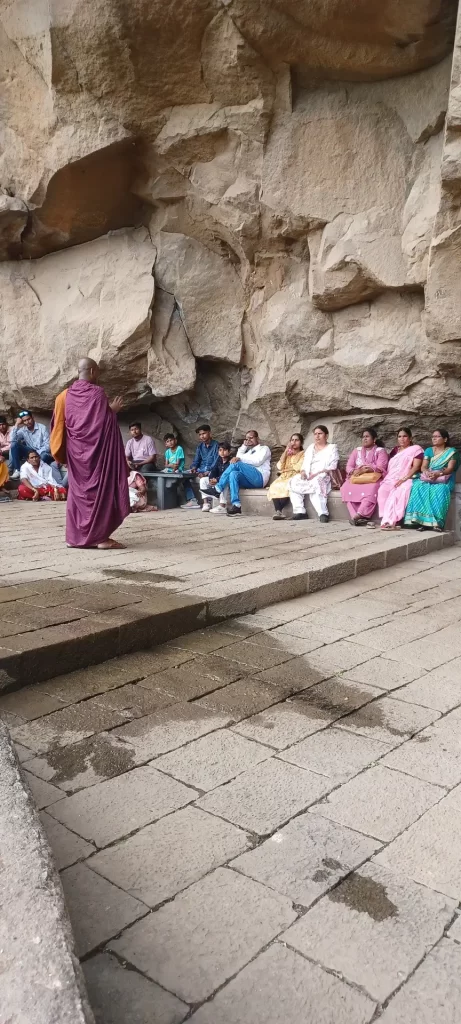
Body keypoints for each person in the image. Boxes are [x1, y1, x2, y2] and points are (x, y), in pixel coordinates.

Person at [50, 357, 130, 549]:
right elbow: (101, 426)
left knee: (77, 493)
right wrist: (112, 411)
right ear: (93, 371)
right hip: (97, 457)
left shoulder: (64, 396)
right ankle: (100, 538)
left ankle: (74, 538)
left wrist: (61, 454)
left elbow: (57, 425)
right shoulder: (97, 393)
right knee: (99, 492)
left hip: (76, 455)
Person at [205, 429, 271, 516]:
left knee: (237, 463)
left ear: (257, 438)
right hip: (250, 480)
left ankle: (218, 488)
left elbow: (258, 461)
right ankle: (236, 505)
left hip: (260, 477)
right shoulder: (248, 452)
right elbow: (238, 456)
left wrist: (240, 459)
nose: (249, 440)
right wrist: (244, 446)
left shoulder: (264, 448)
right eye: (247, 439)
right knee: (233, 474)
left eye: (251, 438)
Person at [404, 428, 459, 532]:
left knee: (440, 490)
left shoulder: (452, 452)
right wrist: (427, 472)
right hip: (429, 476)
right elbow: (423, 466)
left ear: (445, 439)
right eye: (433, 437)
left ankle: (437, 523)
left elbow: (450, 469)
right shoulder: (429, 450)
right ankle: (421, 522)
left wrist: (438, 473)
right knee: (418, 487)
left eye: (437, 436)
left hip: (444, 478)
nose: (434, 438)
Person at [375, 427, 423, 530]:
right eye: (399, 436)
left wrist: (404, 479)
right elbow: (391, 466)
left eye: (405, 436)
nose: (402, 439)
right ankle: (385, 518)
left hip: (408, 477)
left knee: (400, 492)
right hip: (391, 477)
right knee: (382, 490)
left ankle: (393, 520)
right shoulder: (395, 450)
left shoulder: (416, 449)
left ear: (410, 438)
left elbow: (416, 467)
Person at [289, 426, 339, 522]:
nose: (317, 436)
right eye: (315, 434)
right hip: (308, 474)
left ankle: (323, 513)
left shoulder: (332, 448)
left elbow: (333, 465)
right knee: (293, 481)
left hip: (323, 474)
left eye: (320, 433)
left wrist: (317, 473)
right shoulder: (311, 447)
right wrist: (303, 472)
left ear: (326, 435)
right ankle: (300, 511)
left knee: (317, 482)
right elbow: (304, 464)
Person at [340, 428, 389, 526]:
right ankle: (357, 517)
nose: (364, 439)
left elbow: (381, 467)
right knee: (345, 487)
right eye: (363, 437)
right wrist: (355, 471)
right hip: (357, 477)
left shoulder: (380, 451)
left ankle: (359, 515)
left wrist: (367, 469)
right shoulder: (356, 451)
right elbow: (349, 466)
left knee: (372, 489)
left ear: (374, 439)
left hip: (372, 479)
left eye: (367, 437)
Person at [181, 424, 219, 510]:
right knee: (183, 475)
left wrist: (207, 472)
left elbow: (216, 462)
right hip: (200, 470)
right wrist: (193, 468)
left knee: (206, 477)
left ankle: (207, 502)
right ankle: (192, 499)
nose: (202, 436)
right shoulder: (200, 447)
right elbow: (196, 461)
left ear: (209, 433)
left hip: (211, 470)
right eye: (200, 434)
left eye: (204, 433)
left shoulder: (216, 445)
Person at [267, 434, 304, 520]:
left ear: (301, 443)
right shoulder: (288, 453)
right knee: (274, 486)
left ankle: (279, 511)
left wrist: (288, 469)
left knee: (286, 486)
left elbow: (298, 467)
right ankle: (278, 511)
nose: (294, 442)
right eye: (292, 440)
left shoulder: (303, 454)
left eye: (296, 440)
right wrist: (286, 451)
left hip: (295, 475)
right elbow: (279, 466)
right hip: (284, 475)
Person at [9, 410, 54, 479]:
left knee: (44, 456)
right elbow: (12, 440)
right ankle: (18, 470)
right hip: (30, 452)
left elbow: (48, 445)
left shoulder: (42, 428)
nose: (27, 422)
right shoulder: (23, 430)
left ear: (32, 418)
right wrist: (17, 424)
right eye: (24, 421)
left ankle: (36, 474)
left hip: (42, 452)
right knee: (14, 444)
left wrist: (36, 454)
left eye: (29, 419)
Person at [199, 441, 232, 513]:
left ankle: (222, 506)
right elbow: (214, 470)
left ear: (229, 452)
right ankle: (206, 503)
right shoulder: (219, 460)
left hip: (225, 481)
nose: (222, 452)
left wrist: (216, 480)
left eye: (225, 450)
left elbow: (226, 475)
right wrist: (211, 479)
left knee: (224, 482)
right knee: (203, 480)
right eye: (220, 450)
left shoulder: (231, 461)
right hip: (216, 480)